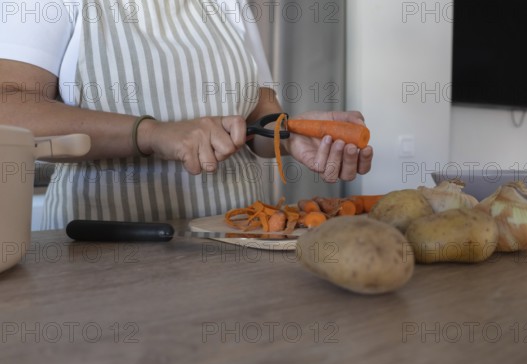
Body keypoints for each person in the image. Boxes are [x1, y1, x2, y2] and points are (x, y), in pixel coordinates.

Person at [0, 0, 373, 229]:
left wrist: (290, 135)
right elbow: (9, 106)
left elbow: (260, 109)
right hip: (101, 246)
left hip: (238, 237)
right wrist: (152, 133)